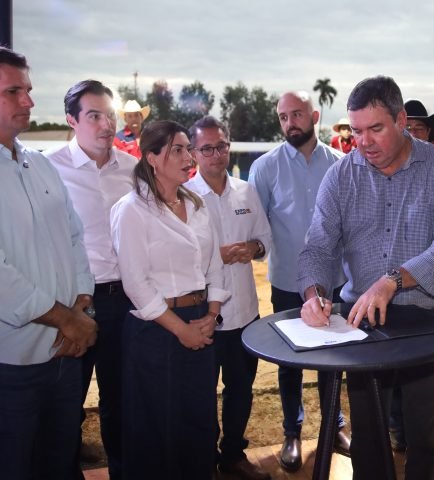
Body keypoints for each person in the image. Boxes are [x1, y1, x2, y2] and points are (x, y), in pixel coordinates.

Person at [298, 75, 434, 480]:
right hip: (363, 323)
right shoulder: (341, 176)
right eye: (357, 131)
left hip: (429, 318)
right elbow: (318, 247)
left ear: (401, 120)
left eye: (375, 129)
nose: (364, 142)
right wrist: (313, 293)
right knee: (369, 434)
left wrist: (392, 280)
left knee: (426, 437)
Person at [0, 43, 97, 479]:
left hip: (62, 357)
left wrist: (82, 305)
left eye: (28, 90)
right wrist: (68, 320)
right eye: (14, 91)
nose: (29, 101)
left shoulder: (38, 165)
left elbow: (74, 238)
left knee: (58, 467)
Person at [110, 120, 229, 479]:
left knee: (199, 420)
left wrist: (212, 314)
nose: (188, 157)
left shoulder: (196, 205)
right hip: (156, 330)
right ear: (151, 158)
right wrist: (181, 330)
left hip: (200, 322)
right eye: (177, 150)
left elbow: (214, 265)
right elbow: (136, 283)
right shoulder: (132, 209)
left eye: (188, 149)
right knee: (155, 426)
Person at [248, 90, 349, 472]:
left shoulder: (341, 163)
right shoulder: (265, 168)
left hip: (334, 280)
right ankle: (292, 432)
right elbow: (257, 228)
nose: (290, 123)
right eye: (283, 117)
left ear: (315, 115)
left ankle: (334, 427)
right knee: (290, 361)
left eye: (297, 114)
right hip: (287, 282)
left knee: (332, 358)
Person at [45, 79, 137, 480]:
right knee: (66, 403)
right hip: (73, 303)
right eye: (94, 116)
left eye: (110, 115)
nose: (106, 125)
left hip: (124, 299)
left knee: (121, 402)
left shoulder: (133, 169)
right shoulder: (47, 168)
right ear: (72, 120)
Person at [184, 116, 272, 480]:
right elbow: (176, 258)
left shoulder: (245, 191)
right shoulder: (183, 196)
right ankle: (203, 458)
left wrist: (253, 247)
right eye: (206, 148)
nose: (216, 155)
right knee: (201, 393)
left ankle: (233, 455)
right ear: (192, 153)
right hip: (202, 314)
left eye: (221, 146)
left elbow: (265, 239)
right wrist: (213, 256)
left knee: (241, 388)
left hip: (245, 312)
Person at [389, 97, 434, 453]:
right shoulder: (387, 171)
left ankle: (428, 432)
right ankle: (399, 429)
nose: (414, 133)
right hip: (391, 289)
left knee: (431, 368)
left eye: (420, 128)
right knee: (395, 370)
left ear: (429, 133)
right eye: (408, 127)